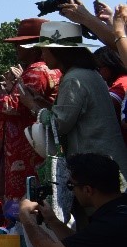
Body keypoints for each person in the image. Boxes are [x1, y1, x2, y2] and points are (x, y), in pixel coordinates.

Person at [18, 21, 127, 179]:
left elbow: (59, 125)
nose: (42, 55)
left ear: (58, 52)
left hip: (98, 170)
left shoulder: (74, 78)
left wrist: (33, 106)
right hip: (106, 163)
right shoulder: (87, 73)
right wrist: (42, 101)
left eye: (45, 50)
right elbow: (73, 114)